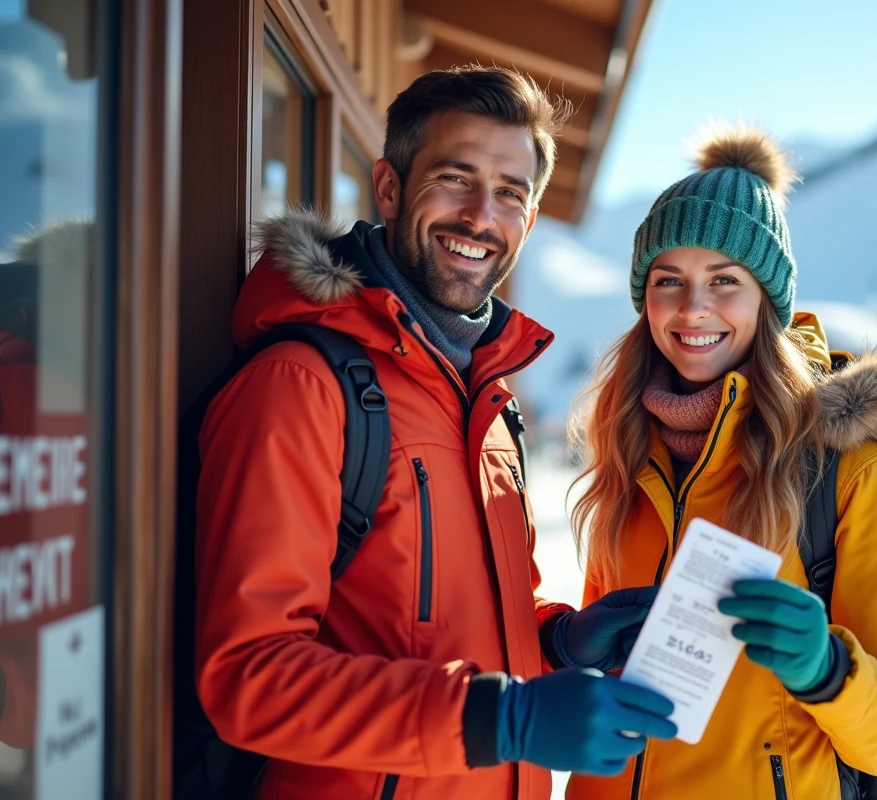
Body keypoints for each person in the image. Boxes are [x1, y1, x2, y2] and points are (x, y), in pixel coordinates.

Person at [190, 66, 676, 800]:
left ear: (530, 220)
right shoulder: (302, 385)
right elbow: (247, 677)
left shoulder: (486, 398)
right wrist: (504, 719)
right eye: (456, 178)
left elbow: (454, 629)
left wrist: (557, 644)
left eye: (510, 192)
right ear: (388, 188)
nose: (482, 216)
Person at [566, 123, 877, 800]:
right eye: (668, 279)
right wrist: (572, 650)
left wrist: (827, 670)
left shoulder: (846, 468)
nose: (693, 308)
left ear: (769, 299)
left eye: (725, 280)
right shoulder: (627, 448)